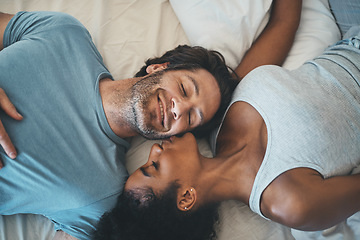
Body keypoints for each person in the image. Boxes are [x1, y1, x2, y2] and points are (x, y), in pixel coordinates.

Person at [0, 0, 300, 238]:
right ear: (159, 68)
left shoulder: (102, 197)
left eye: (192, 117)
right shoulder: (64, 34)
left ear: (179, 134)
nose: (179, 108)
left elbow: (248, 83)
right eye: (184, 89)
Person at [93, 3, 360, 240]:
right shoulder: (289, 202)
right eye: (154, 166)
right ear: (186, 197)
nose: (154, 149)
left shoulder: (214, 115)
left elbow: (283, 23)